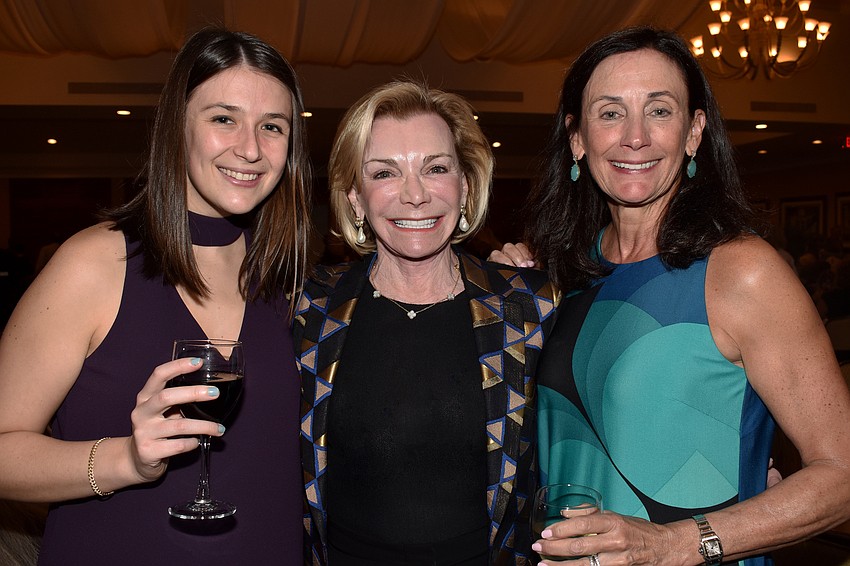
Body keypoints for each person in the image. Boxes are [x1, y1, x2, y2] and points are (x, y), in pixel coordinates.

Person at [494, 26, 850, 566]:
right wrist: (502, 294)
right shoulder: (563, 275)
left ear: (694, 132)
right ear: (577, 137)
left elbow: (843, 473)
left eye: (659, 110)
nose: (634, 137)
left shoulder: (742, 272)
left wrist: (674, 544)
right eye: (610, 113)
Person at [0, 28, 311, 564]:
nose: (251, 147)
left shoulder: (290, 280)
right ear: (176, 127)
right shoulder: (95, 264)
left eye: (272, 126)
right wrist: (127, 461)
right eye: (223, 118)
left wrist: (501, 276)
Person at [292, 80, 558, 565]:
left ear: (466, 185)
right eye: (385, 173)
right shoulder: (307, 308)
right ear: (355, 198)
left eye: (436, 168)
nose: (415, 195)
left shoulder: (532, 307)